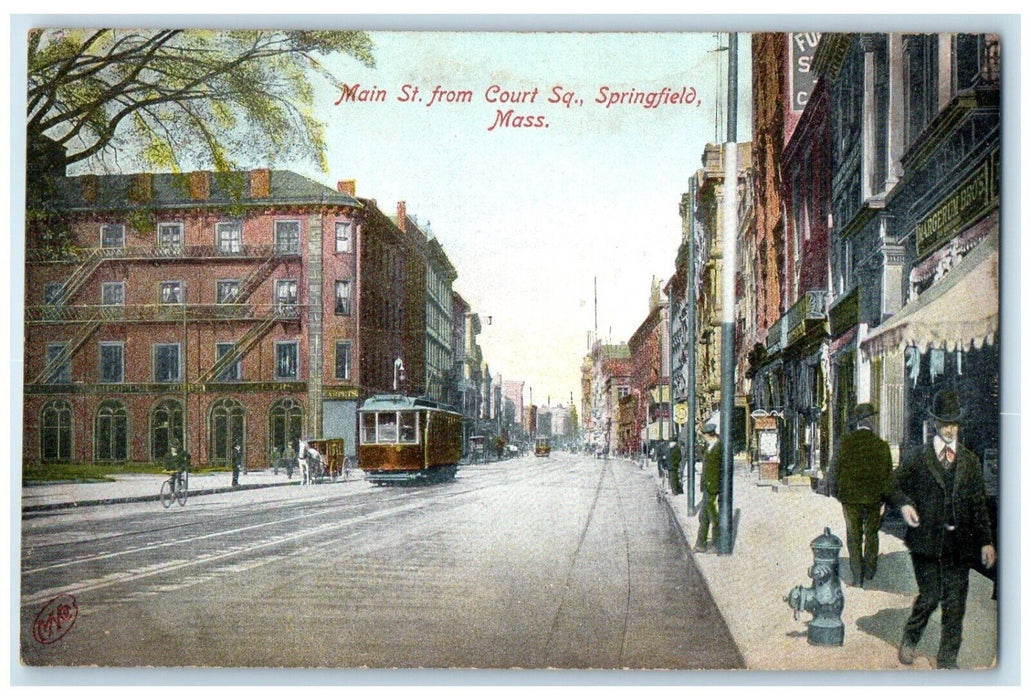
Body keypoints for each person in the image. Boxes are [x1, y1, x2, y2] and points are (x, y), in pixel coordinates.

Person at [890, 389, 996, 670]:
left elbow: (979, 505)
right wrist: (904, 505)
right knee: (931, 596)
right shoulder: (918, 457)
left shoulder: (970, 462)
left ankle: (948, 658)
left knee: (956, 603)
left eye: (954, 424)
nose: (950, 430)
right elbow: (893, 485)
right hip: (926, 541)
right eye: (945, 423)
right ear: (935, 423)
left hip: (960, 544)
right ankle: (911, 637)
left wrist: (986, 541)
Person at [829, 402, 894, 587]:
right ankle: (870, 571)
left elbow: (834, 470)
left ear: (857, 422)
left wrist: (836, 492)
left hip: (850, 499)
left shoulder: (844, 443)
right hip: (874, 498)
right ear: (871, 421)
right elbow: (888, 475)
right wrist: (886, 498)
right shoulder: (881, 446)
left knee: (853, 535)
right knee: (872, 534)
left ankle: (857, 575)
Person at [694, 422, 721, 553]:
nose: (702, 437)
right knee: (703, 517)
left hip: (714, 487)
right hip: (707, 486)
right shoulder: (709, 445)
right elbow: (700, 455)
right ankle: (700, 544)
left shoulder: (719, 446)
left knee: (714, 516)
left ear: (709, 435)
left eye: (703, 435)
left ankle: (716, 544)